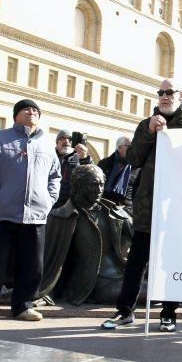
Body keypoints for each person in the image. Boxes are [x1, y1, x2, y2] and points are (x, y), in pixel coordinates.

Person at [101, 79, 182, 332]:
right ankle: (125, 312)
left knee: (170, 262)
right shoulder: (147, 123)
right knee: (136, 261)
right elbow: (133, 159)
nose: (164, 97)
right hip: (147, 204)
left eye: (170, 92)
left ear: (181, 95)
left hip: (175, 205)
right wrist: (148, 132)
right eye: (161, 93)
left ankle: (169, 313)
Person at [0, 100, 61, 323]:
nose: (31, 112)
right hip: (4, 212)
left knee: (32, 265)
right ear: (15, 115)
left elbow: (55, 176)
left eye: (36, 110)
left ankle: (23, 306)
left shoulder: (47, 144)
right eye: (26, 109)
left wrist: (48, 201)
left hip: (36, 215)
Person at [39, 164, 133, 306]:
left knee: (158, 285)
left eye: (102, 184)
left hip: (122, 274)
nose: (99, 190)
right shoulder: (61, 217)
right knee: (151, 293)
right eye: (93, 185)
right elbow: (49, 261)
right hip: (93, 285)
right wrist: (44, 291)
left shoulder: (114, 212)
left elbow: (143, 240)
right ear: (78, 185)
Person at [97, 136, 139, 215]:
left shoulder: (138, 166)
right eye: (130, 146)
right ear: (119, 148)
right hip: (103, 208)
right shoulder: (104, 164)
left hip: (127, 211)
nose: (134, 149)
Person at [54, 129, 91, 208]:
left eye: (70, 139)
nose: (66, 141)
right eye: (62, 138)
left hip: (71, 204)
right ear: (57, 143)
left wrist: (84, 159)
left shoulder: (80, 158)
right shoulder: (50, 156)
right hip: (51, 202)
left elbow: (91, 175)